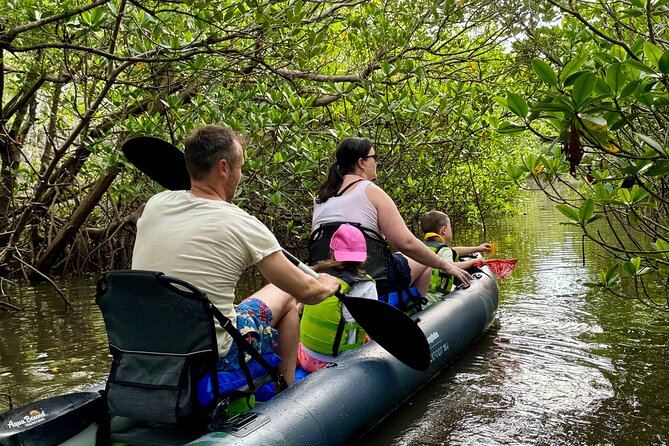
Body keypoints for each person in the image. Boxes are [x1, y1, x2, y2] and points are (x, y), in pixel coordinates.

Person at [132, 125, 340, 386]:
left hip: (142, 350)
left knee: (233, 305)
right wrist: (328, 284)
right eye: (240, 167)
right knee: (287, 295)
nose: (240, 175)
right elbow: (307, 292)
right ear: (223, 168)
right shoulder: (243, 223)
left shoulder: (155, 204)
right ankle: (287, 392)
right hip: (210, 357)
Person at [312, 137, 472, 298]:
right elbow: (406, 243)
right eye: (374, 158)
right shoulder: (371, 191)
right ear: (362, 162)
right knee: (425, 263)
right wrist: (445, 265)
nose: (376, 162)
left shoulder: (320, 197)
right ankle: (416, 314)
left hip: (329, 276)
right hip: (375, 277)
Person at [298, 224, 377, 372]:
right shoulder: (367, 285)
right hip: (337, 361)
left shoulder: (314, 275)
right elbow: (373, 326)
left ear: (331, 253)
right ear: (363, 258)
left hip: (306, 356)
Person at [421, 210, 492, 305]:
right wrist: (474, 261)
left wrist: (478, 248)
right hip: (434, 302)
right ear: (444, 230)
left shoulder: (422, 247)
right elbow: (449, 266)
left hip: (421, 299)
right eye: (450, 226)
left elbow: (453, 250)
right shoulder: (444, 250)